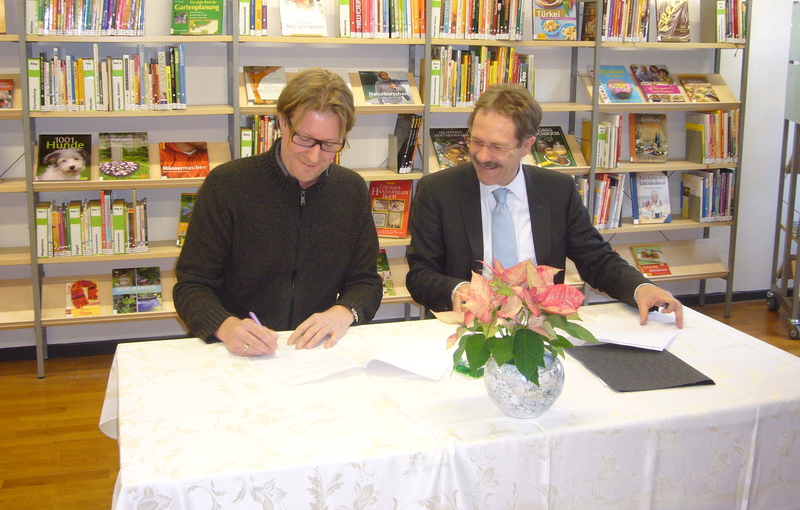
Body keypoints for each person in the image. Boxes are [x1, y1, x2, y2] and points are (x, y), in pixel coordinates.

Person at [406, 83, 683, 328]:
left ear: (527, 146)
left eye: (497, 147)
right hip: (467, 327)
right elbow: (420, 275)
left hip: (541, 326)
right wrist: (458, 290)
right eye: (476, 141)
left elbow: (596, 259)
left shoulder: (557, 190)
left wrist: (640, 287)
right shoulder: (438, 191)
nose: (482, 156)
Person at [174, 68, 383, 356]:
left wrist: (344, 311)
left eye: (329, 145)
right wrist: (226, 326)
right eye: (304, 139)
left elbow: (366, 282)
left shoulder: (351, 190)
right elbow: (191, 286)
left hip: (315, 350)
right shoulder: (227, 184)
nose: (314, 156)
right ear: (283, 122)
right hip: (234, 350)